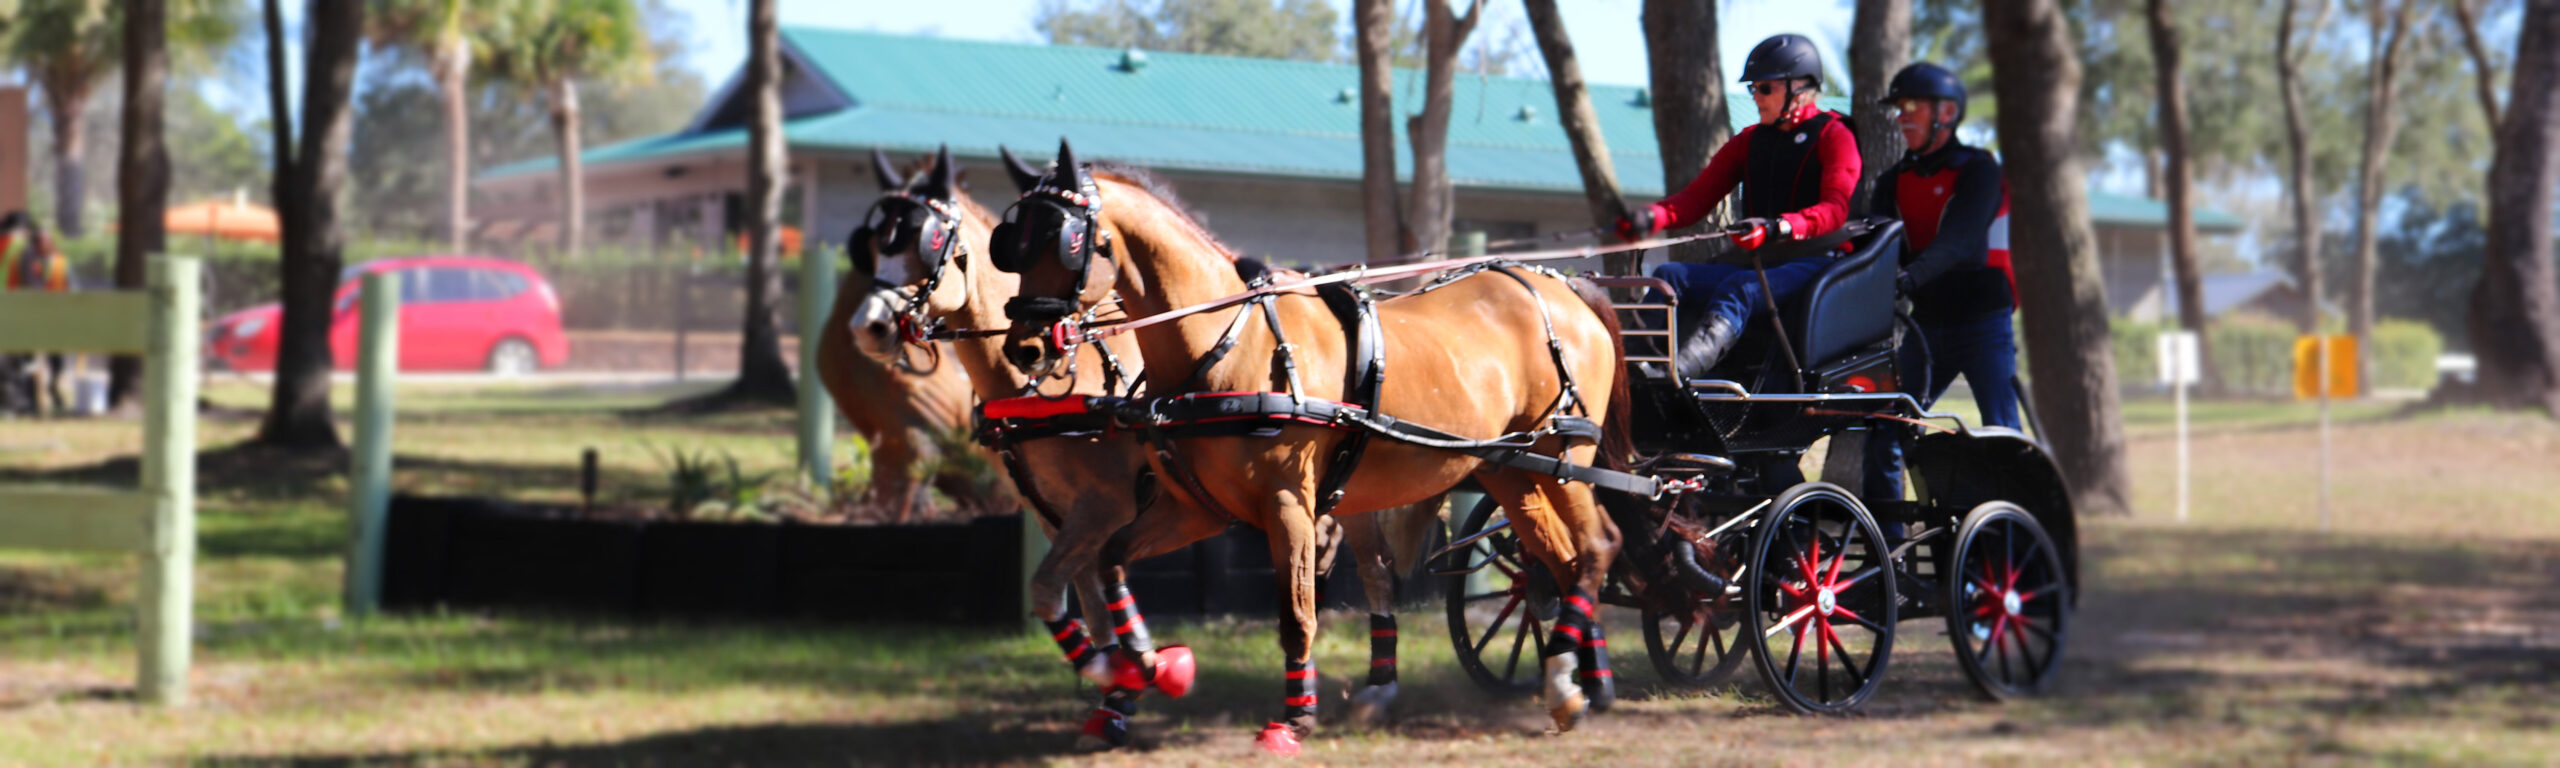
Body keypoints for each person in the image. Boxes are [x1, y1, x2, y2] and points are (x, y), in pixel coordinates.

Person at [1615, 33, 1862, 379]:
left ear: (1800, 88)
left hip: (1816, 263)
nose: (1756, 97)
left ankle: (1677, 377)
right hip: (1762, 264)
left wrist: (1779, 227)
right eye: (1753, 88)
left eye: (1765, 88)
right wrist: (1651, 217)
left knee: (1740, 290)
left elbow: (1835, 209)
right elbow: (1696, 199)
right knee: (1668, 277)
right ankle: (1627, 374)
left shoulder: (1835, 135)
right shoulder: (1748, 141)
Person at [1862, 61, 2023, 513]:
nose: (1902, 116)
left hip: (1984, 324)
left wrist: (1908, 277)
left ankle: (2012, 538)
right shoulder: (1892, 182)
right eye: (1899, 108)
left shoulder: (1979, 170)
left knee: (2002, 432)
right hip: (1927, 327)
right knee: (1887, 425)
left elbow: (1961, 242)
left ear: (1947, 112)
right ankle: (1888, 549)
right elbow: (1875, 242)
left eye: (1913, 106)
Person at [2, 211, 72, 415]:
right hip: (19, 309)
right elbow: (30, 282)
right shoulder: (22, 249)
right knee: (24, 362)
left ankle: (18, 405)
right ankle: (24, 405)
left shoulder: (8, 246)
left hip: (10, 308)